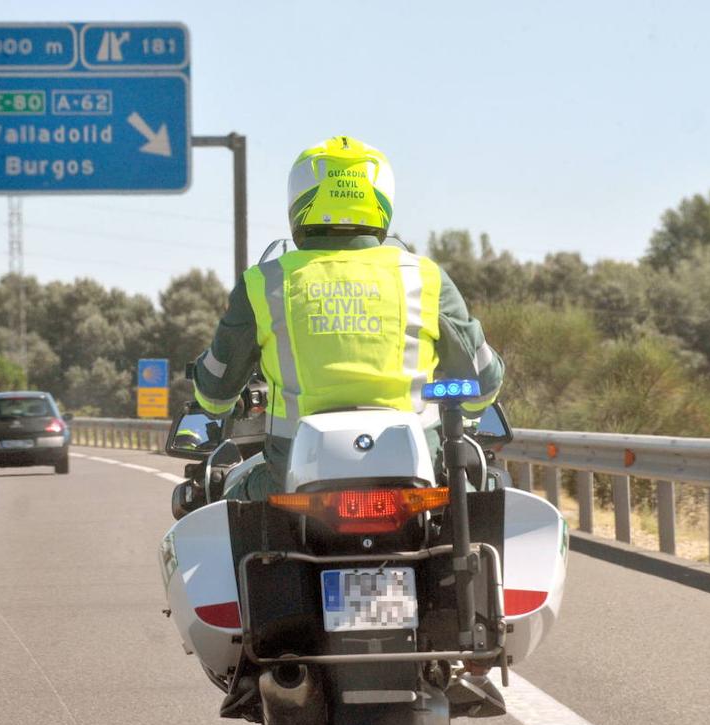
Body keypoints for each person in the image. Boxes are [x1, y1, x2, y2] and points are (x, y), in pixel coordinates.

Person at [192, 136, 504, 501]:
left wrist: (216, 395)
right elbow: (484, 382)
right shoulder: (423, 277)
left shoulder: (264, 283)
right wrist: (466, 403)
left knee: (226, 497)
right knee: (479, 503)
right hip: (421, 479)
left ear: (299, 201)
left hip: (291, 484)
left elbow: (214, 392)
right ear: (380, 201)